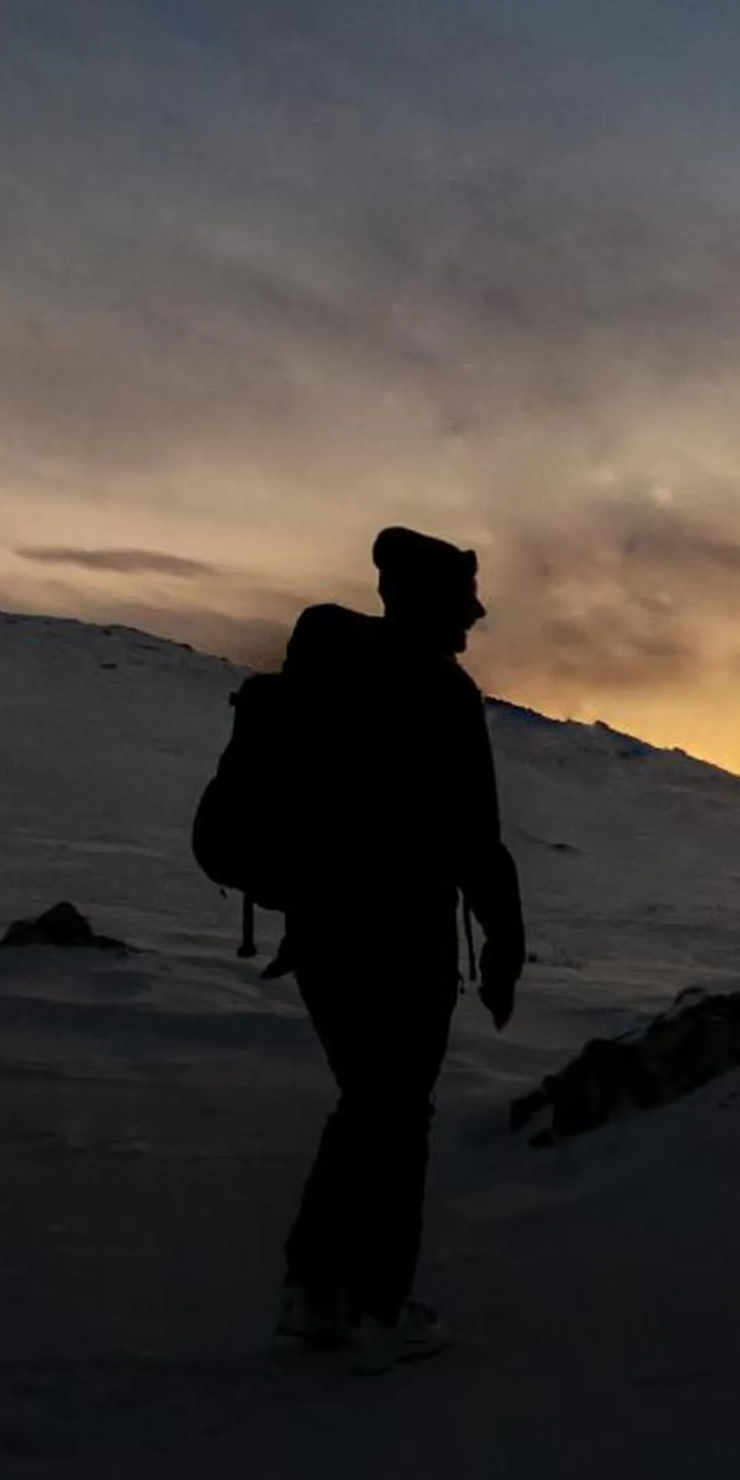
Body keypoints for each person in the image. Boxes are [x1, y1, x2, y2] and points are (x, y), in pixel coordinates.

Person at [275, 528, 526, 1373]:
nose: (475, 615)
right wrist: (505, 944)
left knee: (368, 1104)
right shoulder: (443, 696)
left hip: (318, 931)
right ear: (427, 601)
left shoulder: (323, 666)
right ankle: (380, 1305)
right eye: (463, 600)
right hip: (401, 938)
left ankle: (316, 1293)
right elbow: (476, 840)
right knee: (394, 1114)